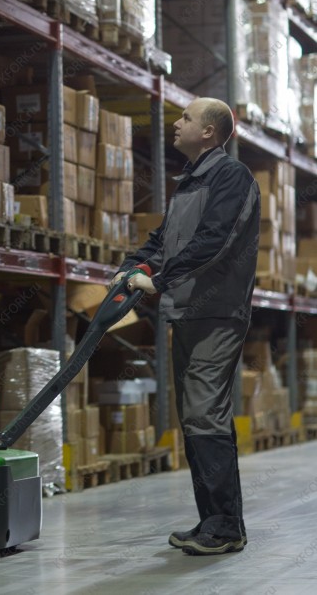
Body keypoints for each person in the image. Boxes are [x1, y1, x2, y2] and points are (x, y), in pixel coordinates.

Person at [113, 97, 260, 556]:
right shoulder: (190, 182)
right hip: (188, 312)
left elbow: (216, 240)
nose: (177, 124)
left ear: (209, 131)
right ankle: (215, 521)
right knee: (196, 415)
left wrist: (159, 280)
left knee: (203, 413)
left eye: (186, 118)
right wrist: (134, 264)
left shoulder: (232, 177)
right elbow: (164, 240)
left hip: (218, 313)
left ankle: (225, 528)